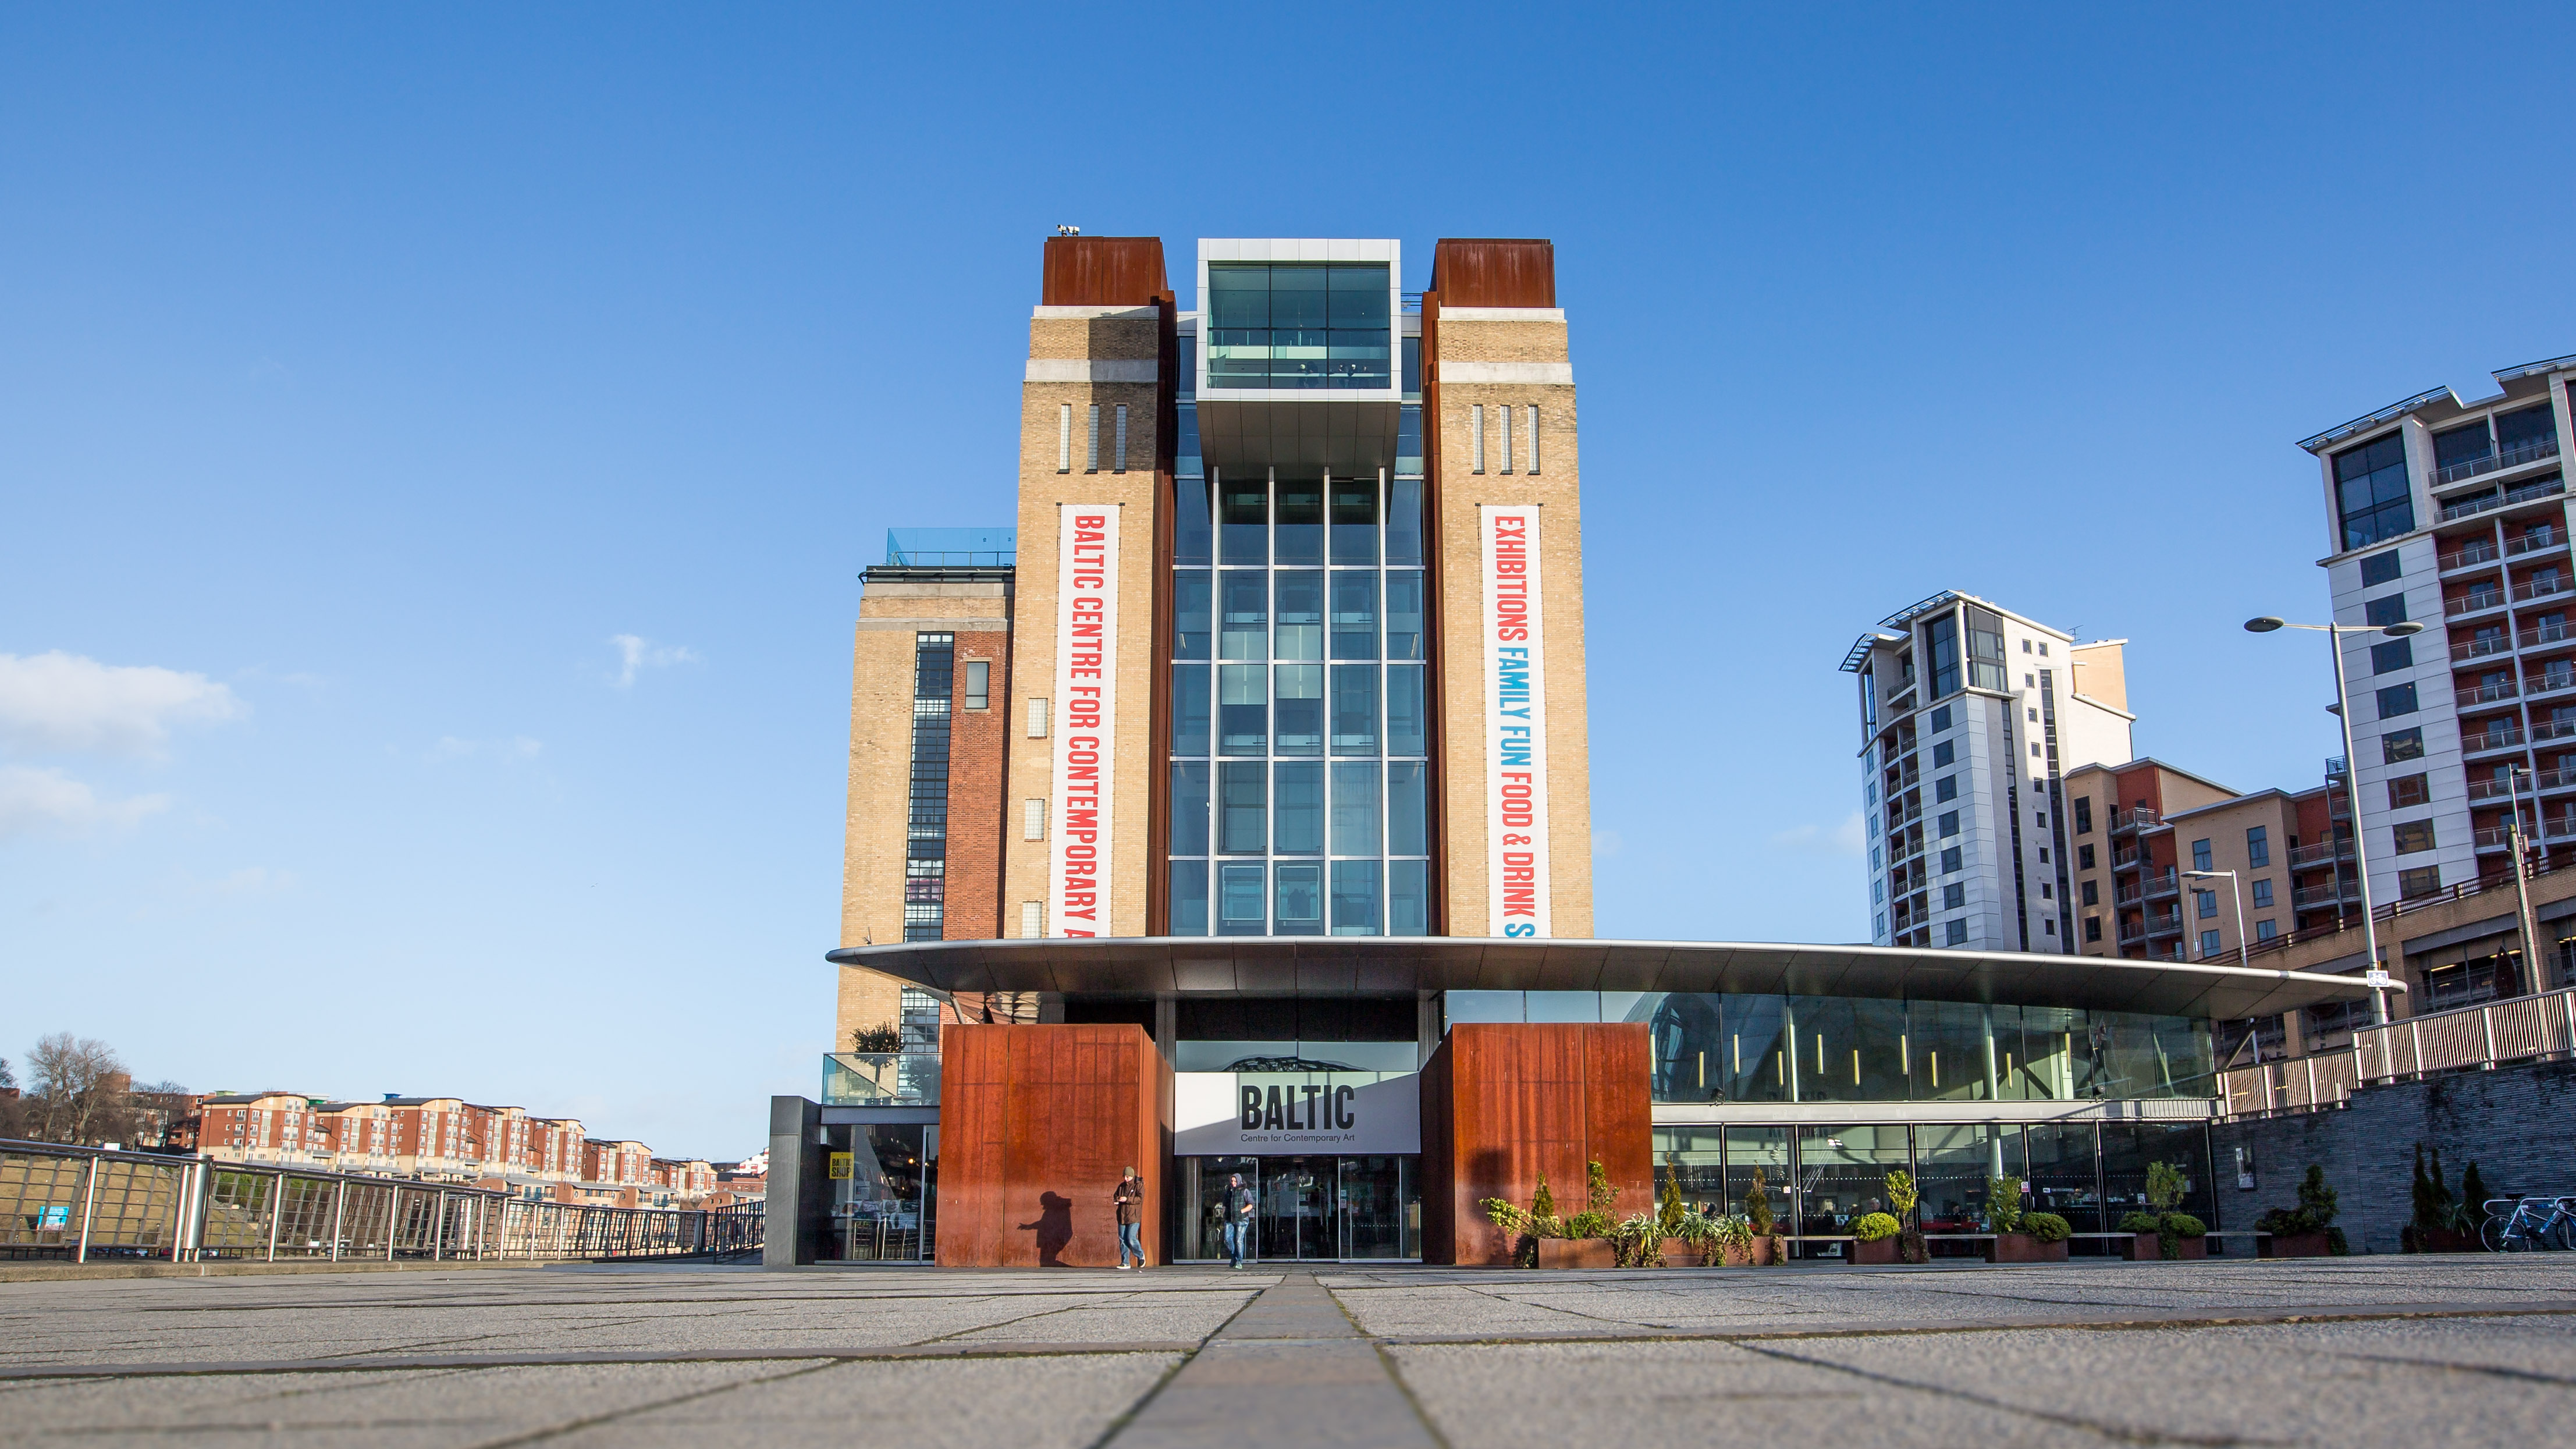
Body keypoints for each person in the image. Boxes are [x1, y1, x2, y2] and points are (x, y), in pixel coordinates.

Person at [1114, 1167, 1146, 1270]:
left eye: (1128, 1177)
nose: (1126, 1179)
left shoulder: (1139, 1186)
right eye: (1125, 1177)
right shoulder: (1122, 1186)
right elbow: (1116, 1195)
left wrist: (1127, 1199)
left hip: (1134, 1216)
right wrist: (1117, 1200)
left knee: (1131, 1238)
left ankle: (1140, 1255)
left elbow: (1140, 1199)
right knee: (1122, 1239)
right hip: (1122, 1216)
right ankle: (1125, 1262)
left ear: (1132, 1176)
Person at [1223, 1171, 1256, 1269]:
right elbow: (1225, 1203)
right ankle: (1234, 1256)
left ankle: (1239, 1261)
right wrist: (1224, 1212)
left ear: (1239, 1181)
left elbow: (1251, 1204)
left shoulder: (1245, 1191)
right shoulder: (1229, 1191)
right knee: (1227, 1239)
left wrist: (1242, 1211)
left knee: (1238, 1240)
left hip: (1241, 1219)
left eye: (1234, 1181)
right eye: (1232, 1181)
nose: (1233, 1183)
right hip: (1230, 1218)